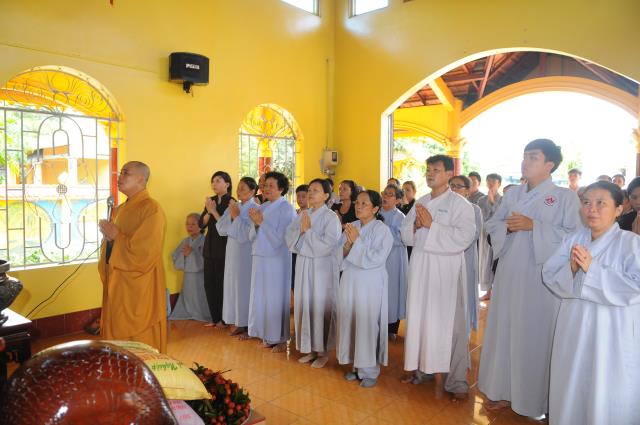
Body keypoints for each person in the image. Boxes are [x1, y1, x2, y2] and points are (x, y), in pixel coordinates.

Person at [478, 139, 582, 418]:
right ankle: (501, 390)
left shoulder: (564, 197)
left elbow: (575, 236)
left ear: (550, 164)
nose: (525, 162)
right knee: (505, 330)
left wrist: (534, 226)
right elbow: (493, 224)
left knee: (535, 336)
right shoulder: (512, 194)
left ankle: (535, 401)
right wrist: (508, 229)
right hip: (510, 272)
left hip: (541, 278)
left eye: (533, 157)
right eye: (525, 156)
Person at [542, 181, 640, 425]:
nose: (591, 209)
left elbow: (636, 286)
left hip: (612, 334)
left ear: (619, 209)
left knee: (607, 388)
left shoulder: (630, 243)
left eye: (600, 203)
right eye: (586, 202)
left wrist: (592, 270)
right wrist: (572, 270)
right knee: (572, 384)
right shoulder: (574, 239)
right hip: (573, 327)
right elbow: (550, 274)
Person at [400, 155, 476, 398]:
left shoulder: (460, 205)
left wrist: (432, 226)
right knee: (422, 320)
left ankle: (456, 381)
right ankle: (424, 369)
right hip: (421, 269)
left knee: (452, 327)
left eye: (436, 169)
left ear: (449, 174)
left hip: (446, 273)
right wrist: (415, 227)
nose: (430, 173)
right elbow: (405, 235)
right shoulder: (421, 201)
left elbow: (464, 237)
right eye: (428, 169)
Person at [98, 161, 167, 353]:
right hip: (119, 282)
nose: (119, 177)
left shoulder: (152, 209)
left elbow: (145, 252)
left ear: (141, 179)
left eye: (125, 173)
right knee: (117, 341)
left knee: (139, 344)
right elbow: (117, 243)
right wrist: (109, 239)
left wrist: (116, 236)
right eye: (120, 173)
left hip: (139, 286)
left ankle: (143, 369)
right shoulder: (120, 209)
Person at [337, 190, 393, 388]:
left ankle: (369, 370)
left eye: (364, 204)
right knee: (351, 320)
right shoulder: (353, 226)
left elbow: (376, 258)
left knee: (367, 324)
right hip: (350, 280)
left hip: (369, 283)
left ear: (376, 209)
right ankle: (355, 365)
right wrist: (347, 246)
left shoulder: (382, 230)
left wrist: (356, 242)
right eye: (357, 203)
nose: (358, 207)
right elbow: (340, 254)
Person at [285, 178, 341, 368]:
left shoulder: (331, 217)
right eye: (309, 190)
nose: (310, 193)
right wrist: (301, 232)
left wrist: (308, 232)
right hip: (304, 264)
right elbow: (290, 236)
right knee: (305, 304)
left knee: (319, 306)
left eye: (315, 190)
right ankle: (309, 348)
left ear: (326, 195)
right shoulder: (303, 214)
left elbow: (328, 245)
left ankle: (323, 352)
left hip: (321, 268)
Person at [247, 171, 297, 352]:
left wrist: (261, 223)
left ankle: (278, 337)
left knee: (274, 297)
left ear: (281, 189)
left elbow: (284, 238)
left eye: (271, 186)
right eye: (265, 185)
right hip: (260, 256)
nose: (266, 189)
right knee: (261, 295)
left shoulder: (286, 209)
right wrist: (255, 224)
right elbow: (252, 234)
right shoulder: (264, 206)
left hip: (277, 259)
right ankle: (264, 333)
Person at [216, 177, 258, 339]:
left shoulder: (255, 208)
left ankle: (249, 325)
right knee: (233, 286)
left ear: (252, 191)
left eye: (243, 188)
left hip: (245, 253)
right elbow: (221, 228)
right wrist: (233, 216)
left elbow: (248, 233)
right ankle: (239, 322)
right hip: (232, 252)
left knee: (245, 287)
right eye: (238, 188)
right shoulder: (236, 206)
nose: (239, 191)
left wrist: (236, 217)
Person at [199, 171, 234, 329]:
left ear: (227, 184)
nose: (214, 184)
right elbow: (202, 223)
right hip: (210, 247)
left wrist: (213, 211)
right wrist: (208, 211)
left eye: (218, 181)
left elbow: (228, 226)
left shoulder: (231, 202)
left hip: (224, 248)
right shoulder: (210, 201)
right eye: (213, 181)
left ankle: (224, 319)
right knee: (209, 284)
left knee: (222, 284)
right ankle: (214, 318)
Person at [449, 175, 483, 334]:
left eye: (458, 186)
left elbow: (473, 235)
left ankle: (465, 330)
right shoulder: (444, 207)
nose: (453, 189)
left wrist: (449, 242)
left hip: (465, 256)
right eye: (451, 185)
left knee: (464, 292)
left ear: (467, 191)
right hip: (445, 258)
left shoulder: (474, 209)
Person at [169, 213, 211, 323]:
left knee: (199, 295)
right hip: (188, 276)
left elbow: (207, 260)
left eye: (193, 224)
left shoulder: (205, 240)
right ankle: (188, 311)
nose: (189, 227)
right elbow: (175, 256)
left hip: (201, 276)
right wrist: (184, 255)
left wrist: (192, 253)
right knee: (188, 295)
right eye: (187, 224)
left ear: (200, 226)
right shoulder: (185, 241)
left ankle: (202, 313)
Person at [380, 184, 408, 340]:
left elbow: (401, 238)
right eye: (385, 193)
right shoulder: (376, 212)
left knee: (392, 290)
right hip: (377, 258)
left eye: (390, 194)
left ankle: (392, 327)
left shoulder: (400, 217)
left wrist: (383, 228)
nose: (385, 196)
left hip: (393, 258)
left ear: (397, 200)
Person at [477, 173, 502, 301]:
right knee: (485, 262)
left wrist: (492, 202)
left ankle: (497, 292)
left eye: (493, 181)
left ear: (499, 184)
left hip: (497, 236)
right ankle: (488, 291)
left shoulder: (503, 200)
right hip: (484, 234)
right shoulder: (481, 200)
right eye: (488, 181)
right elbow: (482, 217)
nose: (490, 183)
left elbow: (500, 216)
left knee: (494, 262)